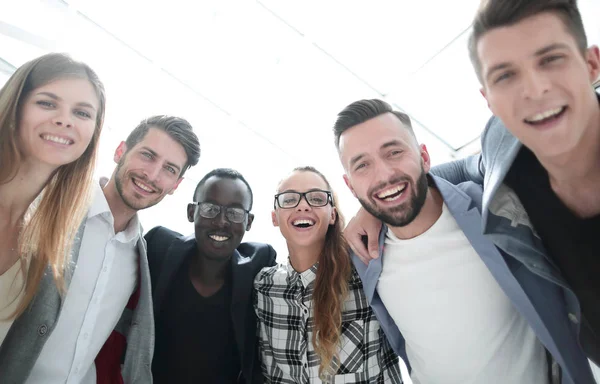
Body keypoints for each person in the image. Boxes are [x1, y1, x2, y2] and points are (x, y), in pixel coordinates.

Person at [344, 0, 600, 378]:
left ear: (592, 64)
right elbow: (462, 166)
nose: (535, 88)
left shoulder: (494, 191)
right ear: (489, 100)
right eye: (505, 76)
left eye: (551, 59)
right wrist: (379, 195)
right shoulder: (506, 159)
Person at [334, 98, 595, 384]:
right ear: (349, 185)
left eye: (394, 152)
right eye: (362, 166)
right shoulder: (363, 257)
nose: (383, 174)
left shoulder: (493, 209)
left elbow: (497, 151)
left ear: (424, 157)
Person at [2, 115, 200, 383]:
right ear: (120, 151)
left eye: (169, 169)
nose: (152, 175)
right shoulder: (49, 209)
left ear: (176, 185)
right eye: (147, 155)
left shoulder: (142, 258)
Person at [254, 166, 401, 383]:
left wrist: (370, 211)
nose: (303, 206)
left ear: (332, 215)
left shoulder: (367, 272)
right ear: (275, 217)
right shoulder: (263, 286)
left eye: (316, 198)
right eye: (288, 200)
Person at [0, 52, 105, 345]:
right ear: (15, 107)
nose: (64, 120)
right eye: (47, 103)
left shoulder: (44, 241)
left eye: (82, 113)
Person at [146, 168, 276, 384]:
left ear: (249, 222)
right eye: (210, 208)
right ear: (191, 212)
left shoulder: (258, 267)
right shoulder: (158, 247)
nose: (221, 221)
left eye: (234, 213)